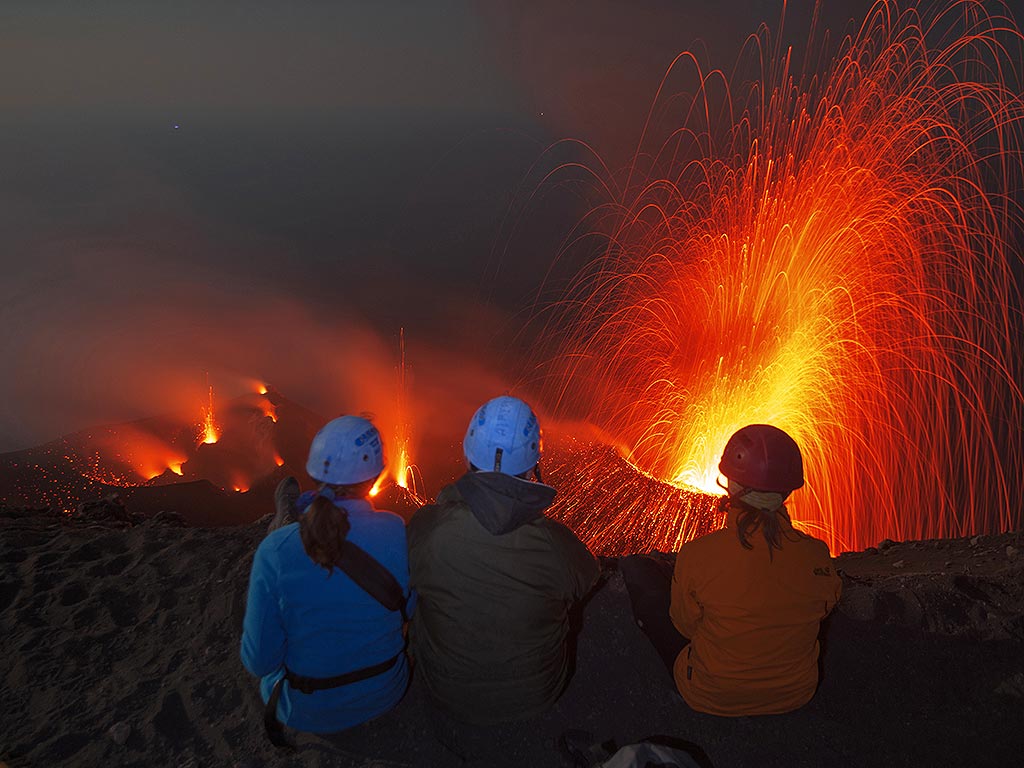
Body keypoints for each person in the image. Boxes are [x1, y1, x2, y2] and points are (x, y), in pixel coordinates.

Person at [621, 423, 841, 716]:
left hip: (710, 694)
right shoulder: (816, 555)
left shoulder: (699, 554)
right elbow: (825, 605)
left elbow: (684, 625)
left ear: (732, 482)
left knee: (638, 572)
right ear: (788, 488)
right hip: (796, 692)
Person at [407, 395, 600, 725]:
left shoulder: (429, 529)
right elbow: (588, 577)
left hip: (445, 691)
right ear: (533, 465)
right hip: (536, 695)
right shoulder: (555, 544)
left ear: (467, 453)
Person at [241, 415, 412, 742]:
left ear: (316, 470)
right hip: (386, 690)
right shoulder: (397, 531)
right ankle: (289, 514)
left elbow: (259, 662)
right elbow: (409, 607)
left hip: (306, 708)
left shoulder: (276, 551)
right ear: (377, 474)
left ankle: (288, 515)